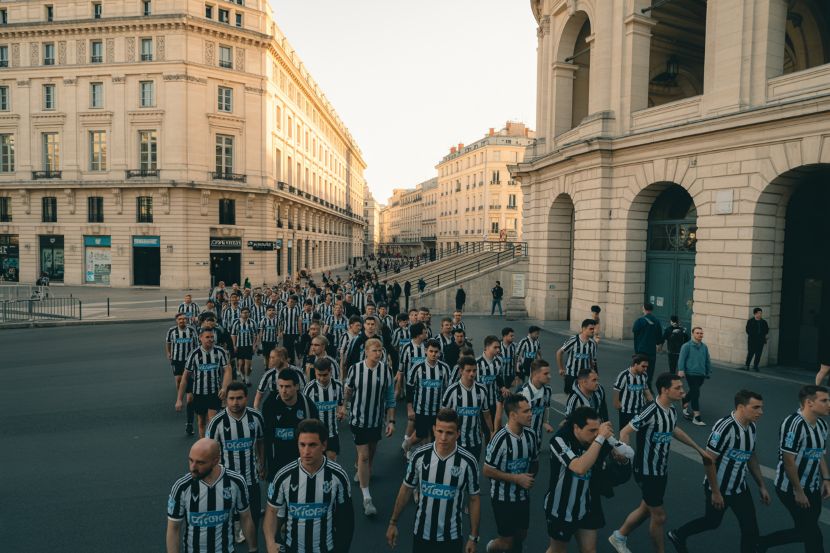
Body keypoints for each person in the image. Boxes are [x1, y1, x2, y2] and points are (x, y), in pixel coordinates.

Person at [608, 373, 712, 553]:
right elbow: (625, 431)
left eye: (682, 387)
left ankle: (619, 536)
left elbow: (674, 430)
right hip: (647, 471)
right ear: (664, 390)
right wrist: (624, 452)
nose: (683, 391)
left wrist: (699, 449)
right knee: (659, 516)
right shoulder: (650, 410)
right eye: (678, 388)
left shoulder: (671, 410)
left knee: (646, 508)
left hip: (661, 470)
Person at [668, 389, 770, 553]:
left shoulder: (751, 427)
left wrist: (761, 485)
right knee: (712, 522)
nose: (761, 412)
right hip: (718, 488)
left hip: (739, 488)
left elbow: (751, 455)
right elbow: (709, 460)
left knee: (750, 529)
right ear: (741, 407)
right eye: (756, 407)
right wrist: (715, 492)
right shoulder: (724, 428)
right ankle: (678, 534)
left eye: (761, 407)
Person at [386, 408, 481, 553]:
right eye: (440, 431)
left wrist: (473, 537)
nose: (443, 437)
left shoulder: (468, 462)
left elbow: (474, 499)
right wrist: (393, 522)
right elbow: (406, 489)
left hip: (452, 537)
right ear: (434, 430)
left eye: (449, 433)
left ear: (458, 434)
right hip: (422, 534)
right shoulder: (419, 456)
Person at [262, 418, 354, 553]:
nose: (306, 451)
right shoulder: (283, 476)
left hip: (326, 549)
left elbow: (347, 519)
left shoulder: (338, 475)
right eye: (302, 445)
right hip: (292, 549)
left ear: (323, 445)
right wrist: (270, 543)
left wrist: (342, 549)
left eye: (312, 445)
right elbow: (271, 512)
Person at [757, 385, 830, 553]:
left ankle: (761, 543)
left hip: (812, 487)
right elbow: (789, 461)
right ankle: (761, 543)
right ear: (809, 403)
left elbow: (819, 454)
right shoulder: (793, 424)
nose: (829, 404)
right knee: (812, 534)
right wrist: (798, 491)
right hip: (790, 488)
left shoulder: (821, 426)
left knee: (804, 530)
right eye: (824, 400)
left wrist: (826, 479)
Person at [166, 438, 258, 553]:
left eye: (200, 462)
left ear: (216, 461)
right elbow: (173, 529)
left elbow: (246, 518)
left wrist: (253, 549)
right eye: (190, 460)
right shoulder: (181, 487)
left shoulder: (236, 481)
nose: (192, 467)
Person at [543, 407, 613, 553]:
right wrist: (600, 439)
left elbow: (614, 473)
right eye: (591, 430)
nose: (595, 434)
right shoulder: (559, 440)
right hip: (561, 509)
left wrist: (622, 459)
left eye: (597, 430)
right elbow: (579, 467)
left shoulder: (596, 442)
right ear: (576, 427)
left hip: (585, 506)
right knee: (558, 550)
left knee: (590, 550)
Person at [205, 382, 265, 539]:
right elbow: (208, 450)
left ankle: (252, 545)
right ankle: (235, 527)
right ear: (226, 399)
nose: (235, 402)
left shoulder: (256, 417)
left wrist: (262, 463)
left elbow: (260, 441)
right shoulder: (217, 422)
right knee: (228, 519)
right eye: (231, 398)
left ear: (246, 398)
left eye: (239, 398)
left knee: (254, 515)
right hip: (226, 479)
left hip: (251, 477)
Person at [344, 338, 396, 516]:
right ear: (366, 351)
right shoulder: (356, 369)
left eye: (380, 350)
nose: (378, 353)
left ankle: (362, 469)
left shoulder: (385, 370)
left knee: (370, 454)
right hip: (358, 420)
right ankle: (367, 498)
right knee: (364, 455)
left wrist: (391, 421)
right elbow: (348, 391)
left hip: (376, 421)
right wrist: (344, 405)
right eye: (374, 350)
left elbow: (390, 397)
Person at [483, 394, 540, 553]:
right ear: (513, 415)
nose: (531, 414)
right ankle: (491, 547)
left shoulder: (531, 435)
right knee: (507, 543)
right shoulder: (499, 439)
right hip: (502, 498)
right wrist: (517, 478)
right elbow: (487, 470)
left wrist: (529, 478)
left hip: (522, 497)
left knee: (521, 536)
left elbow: (534, 461)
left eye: (530, 410)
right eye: (526, 411)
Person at [261, 369, 319, 479]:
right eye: (281, 386)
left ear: (296, 386)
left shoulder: (308, 405)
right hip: (276, 462)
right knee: (274, 495)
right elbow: (265, 437)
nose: (283, 390)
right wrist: (263, 464)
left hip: (300, 460)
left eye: (287, 386)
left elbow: (317, 435)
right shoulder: (270, 405)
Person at [176, 328, 232, 438]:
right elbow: (185, 377)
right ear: (200, 338)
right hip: (198, 394)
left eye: (212, 337)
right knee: (201, 422)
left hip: (214, 393)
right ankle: (203, 445)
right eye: (207, 337)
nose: (211, 339)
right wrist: (179, 399)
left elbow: (228, 370)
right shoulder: (194, 354)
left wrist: (224, 388)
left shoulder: (220, 352)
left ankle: (212, 445)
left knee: (212, 421)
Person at [403, 339, 450, 455]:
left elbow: (448, 389)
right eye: (431, 351)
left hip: (438, 410)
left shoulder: (444, 368)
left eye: (436, 352)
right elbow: (409, 388)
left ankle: (425, 457)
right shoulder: (417, 367)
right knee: (420, 435)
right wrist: (409, 408)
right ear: (425, 351)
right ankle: (407, 445)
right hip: (421, 409)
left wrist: (447, 407)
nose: (433, 354)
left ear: (439, 353)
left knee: (434, 436)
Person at [442, 356, 493, 459]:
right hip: (456, 440)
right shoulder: (452, 390)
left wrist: (492, 432)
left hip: (475, 440)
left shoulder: (482, 390)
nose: (472, 374)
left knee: (473, 469)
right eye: (468, 370)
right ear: (461, 371)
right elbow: (442, 415)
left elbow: (486, 414)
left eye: (474, 370)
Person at [303, 358, 346, 461]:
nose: (322, 378)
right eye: (319, 375)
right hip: (315, 433)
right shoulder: (310, 388)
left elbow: (340, 404)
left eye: (325, 375)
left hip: (332, 432)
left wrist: (341, 411)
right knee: (317, 461)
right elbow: (305, 409)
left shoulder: (338, 386)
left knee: (331, 460)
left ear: (330, 371)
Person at [166, 313, 199, 435]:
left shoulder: (191, 330)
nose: (182, 321)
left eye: (184, 319)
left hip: (189, 361)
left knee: (190, 396)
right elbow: (168, 343)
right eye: (180, 319)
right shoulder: (172, 331)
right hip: (177, 360)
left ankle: (189, 422)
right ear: (176, 320)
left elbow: (196, 344)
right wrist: (169, 353)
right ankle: (180, 397)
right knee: (179, 380)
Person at [678, 326, 712, 426]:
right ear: (693, 334)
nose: (700, 335)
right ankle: (697, 417)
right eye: (697, 333)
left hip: (701, 373)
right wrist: (681, 370)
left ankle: (684, 399)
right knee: (696, 393)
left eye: (701, 333)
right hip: (690, 373)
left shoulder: (704, 347)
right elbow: (682, 359)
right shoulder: (686, 346)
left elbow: (707, 360)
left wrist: (708, 371)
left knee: (693, 391)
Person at [556, 319, 597, 394]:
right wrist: (561, 368)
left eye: (593, 329)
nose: (593, 331)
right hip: (571, 375)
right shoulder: (573, 340)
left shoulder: (592, 344)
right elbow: (559, 352)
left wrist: (593, 373)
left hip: (585, 377)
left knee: (584, 396)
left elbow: (592, 360)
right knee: (570, 395)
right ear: (584, 329)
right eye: (591, 329)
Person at [613, 354, 653, 430]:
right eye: (643, 366)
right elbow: (616, 390)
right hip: (626, 410)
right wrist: (616, 403)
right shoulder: (624, 375)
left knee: (642, 431)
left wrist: (653, 404)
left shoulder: (644, 375)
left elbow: (646, 390)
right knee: (624, 431)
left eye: (646, 367)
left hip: (640, 409)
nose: (645, 369)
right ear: (635, 364)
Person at [518, 359, 554, 442]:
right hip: (523, 439)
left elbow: (546, 407)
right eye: (546, 374)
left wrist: (545, 422)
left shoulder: (548, 390)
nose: (549, 376)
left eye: (549, 373)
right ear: (535, 374)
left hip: (538, 437)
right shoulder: (522, 393)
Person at [632, 303, 664, 390]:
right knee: (649, 371)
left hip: (641, 350)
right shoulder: (656, 321)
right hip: (651, 351)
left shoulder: (639, 321)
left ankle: (638, 388)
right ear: (652, 310)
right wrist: (658, 345)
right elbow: (659, 338)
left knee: (639, 370)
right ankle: (648, 387)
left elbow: (635, 334)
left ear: (644, 309)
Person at [476, 335, 504, 431]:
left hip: (493, 402)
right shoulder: (477, 363)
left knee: (494, 430)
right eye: (495, 347)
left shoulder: (499, 361)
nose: (498, 349)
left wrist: (503, 387)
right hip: (479, 404)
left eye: (499, 347)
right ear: (487, 347)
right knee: (481, 430)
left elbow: (499, 378)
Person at [230, 307, 258, 386]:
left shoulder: (252, 322)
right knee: (241, 364)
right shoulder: (236, 323)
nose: (245, 314)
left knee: (248, 364)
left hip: (249, 346)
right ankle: (242, 375)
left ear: (249, 313)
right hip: (240, 346)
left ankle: (247, 378)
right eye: (244, 312)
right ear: (240, 313)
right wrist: (234, 345)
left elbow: (255, 335)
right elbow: (233, 335)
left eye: (247, 312)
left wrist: (254, 345)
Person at [278, 295, 302, 363]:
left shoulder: (298, 309)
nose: (291, 303)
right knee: (286, 349)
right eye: (290, 302)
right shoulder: (283, 309)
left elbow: (299, 322)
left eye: (293, 302)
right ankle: (287, 363)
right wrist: (280, 332)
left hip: (295, 333)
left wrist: (300, 334)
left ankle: (293, 363)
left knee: (296, 349)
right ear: (288, 301)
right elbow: (280, 322)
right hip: (286, 333)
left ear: (296, 303)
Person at [744, 307, 769, 372]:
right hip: (752, 340)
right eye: (759, 313)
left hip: (760, 341)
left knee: (758, 354)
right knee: (750, 353)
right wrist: (753, 335)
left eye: (761, 313)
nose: (760, 314)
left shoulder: (764, 322)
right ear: (755, 314)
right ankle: (747, 365)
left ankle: (755, 366)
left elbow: (766, 330)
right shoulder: (750, 321)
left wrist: (765, 337)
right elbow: (747, 330)